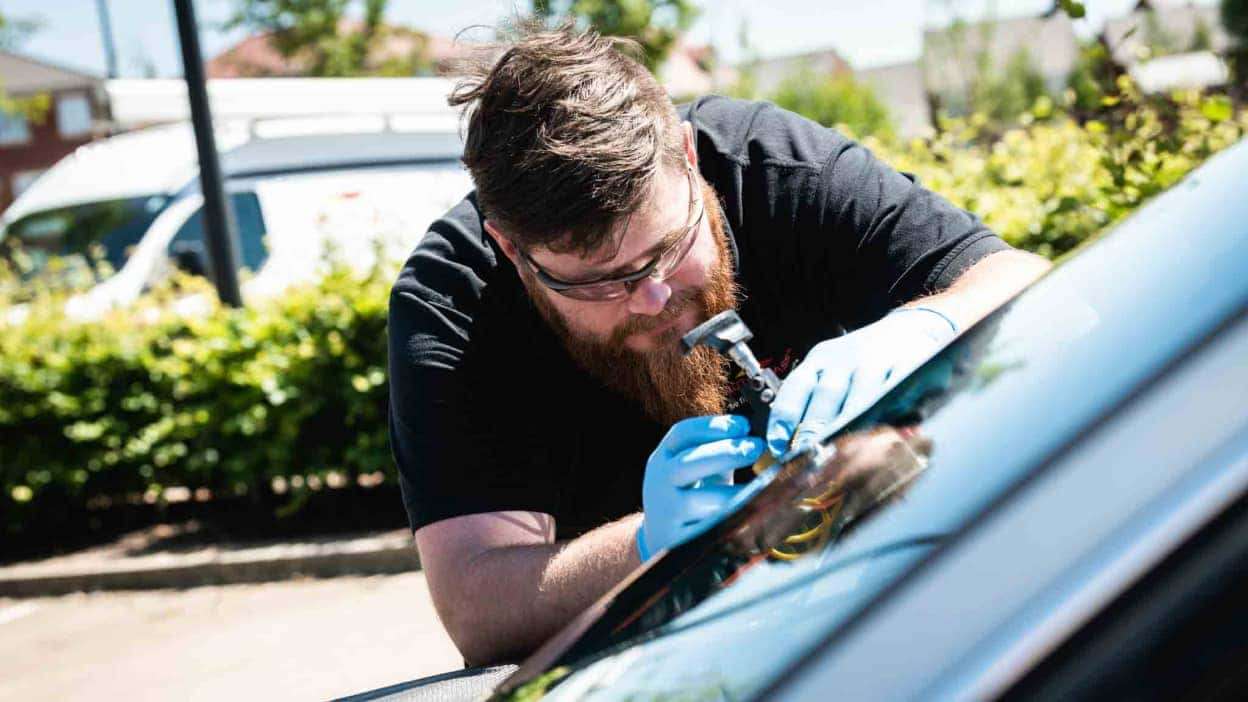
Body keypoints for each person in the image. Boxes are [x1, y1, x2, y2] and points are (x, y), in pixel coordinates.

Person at [387, 24, 1050, 666]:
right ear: (510, 246)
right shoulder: (453, 300)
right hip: (656, 661)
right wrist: (652, 545)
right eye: (599, 284)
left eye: (667, 250)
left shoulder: (776, 163)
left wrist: (929, 324)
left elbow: (1024, 281)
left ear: (687, 154)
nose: (650, 299)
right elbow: (477, 607)